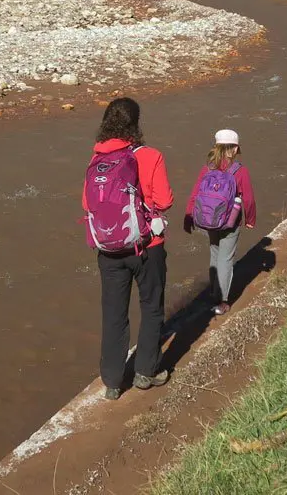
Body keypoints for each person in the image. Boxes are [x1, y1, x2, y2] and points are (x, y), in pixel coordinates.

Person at [82, 97, 173, 401]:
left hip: (108, 250)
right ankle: (146, 372)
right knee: (151, 307)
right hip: (147, 246)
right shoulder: (151, 156)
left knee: (113, 314)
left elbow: (87, 204)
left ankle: (111, 382)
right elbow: (165, 200)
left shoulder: (97, 159)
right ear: (136, 123)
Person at [183, 129, 256, 316]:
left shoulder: (207, 168)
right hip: (230, 222)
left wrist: (189, 215)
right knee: (226, 258)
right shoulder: (240, 171)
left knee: (215, 253)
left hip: (209, 220)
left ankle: (214, 293)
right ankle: (222, 302)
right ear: (234, 149)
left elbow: (195, 194)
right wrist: (250, 219)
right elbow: (248, 199)